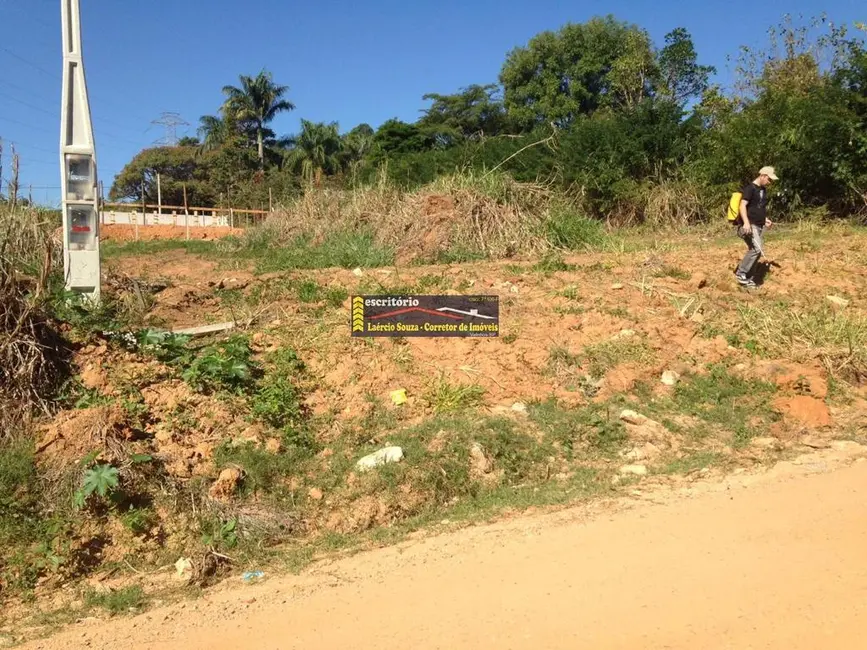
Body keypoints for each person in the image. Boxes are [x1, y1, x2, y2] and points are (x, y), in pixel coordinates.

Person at [734, 166, 778, 288]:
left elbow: (758, 207)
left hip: (759, 225)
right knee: (756, 249)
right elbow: (742, 206)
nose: (770, 182)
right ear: (763, 176)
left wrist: (765, 219)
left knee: (756, 252)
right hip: (749, 225)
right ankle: (741, 273)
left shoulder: (763, 190)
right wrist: (746, 223)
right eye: (769, 179)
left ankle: (748, 278)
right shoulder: (750, 188)